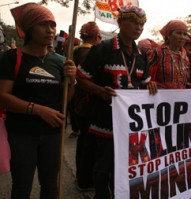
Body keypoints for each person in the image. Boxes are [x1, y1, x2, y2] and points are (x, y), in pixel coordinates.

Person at [76, 5, 157, 199]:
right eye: (133, 22)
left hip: (130, 123)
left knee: (124, 165)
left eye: (142, 24)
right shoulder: (102, 49)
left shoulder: (141, 55)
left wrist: (151, 85)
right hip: (105, 119)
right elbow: (81, 78)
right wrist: (99, 90)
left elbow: (144, 82)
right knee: (103, 164)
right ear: (120, 23)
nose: (138, 28)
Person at [0, 3, 77, 199]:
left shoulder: (59, 62)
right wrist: (38, 110)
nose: (50, 30)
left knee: (50, 187)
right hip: (21, 135)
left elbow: (64, 102)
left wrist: (72, 81)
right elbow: (3, 96)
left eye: (52, 25)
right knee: (22, 187)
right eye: (43, 24)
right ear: (29, 28)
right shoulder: (11, 58)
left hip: (53, 135)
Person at [73, 21, 102, 191]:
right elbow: (86, 79)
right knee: (87, 143)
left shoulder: (76, 50)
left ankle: (82, 177)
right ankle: (84, 180)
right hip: (88, 102)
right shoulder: (89, 52)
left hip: (79, 100)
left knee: (84, 141)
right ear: (96, 37)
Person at [148, 20, 191, 90]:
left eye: (185, 34)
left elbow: (183, 83)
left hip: (179, 98)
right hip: (160, 98)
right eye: (178, 33)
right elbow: (146, 76)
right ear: (169, 35)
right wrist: (150, 82)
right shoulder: (158, 53)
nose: (182, 37)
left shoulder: (185, 57)